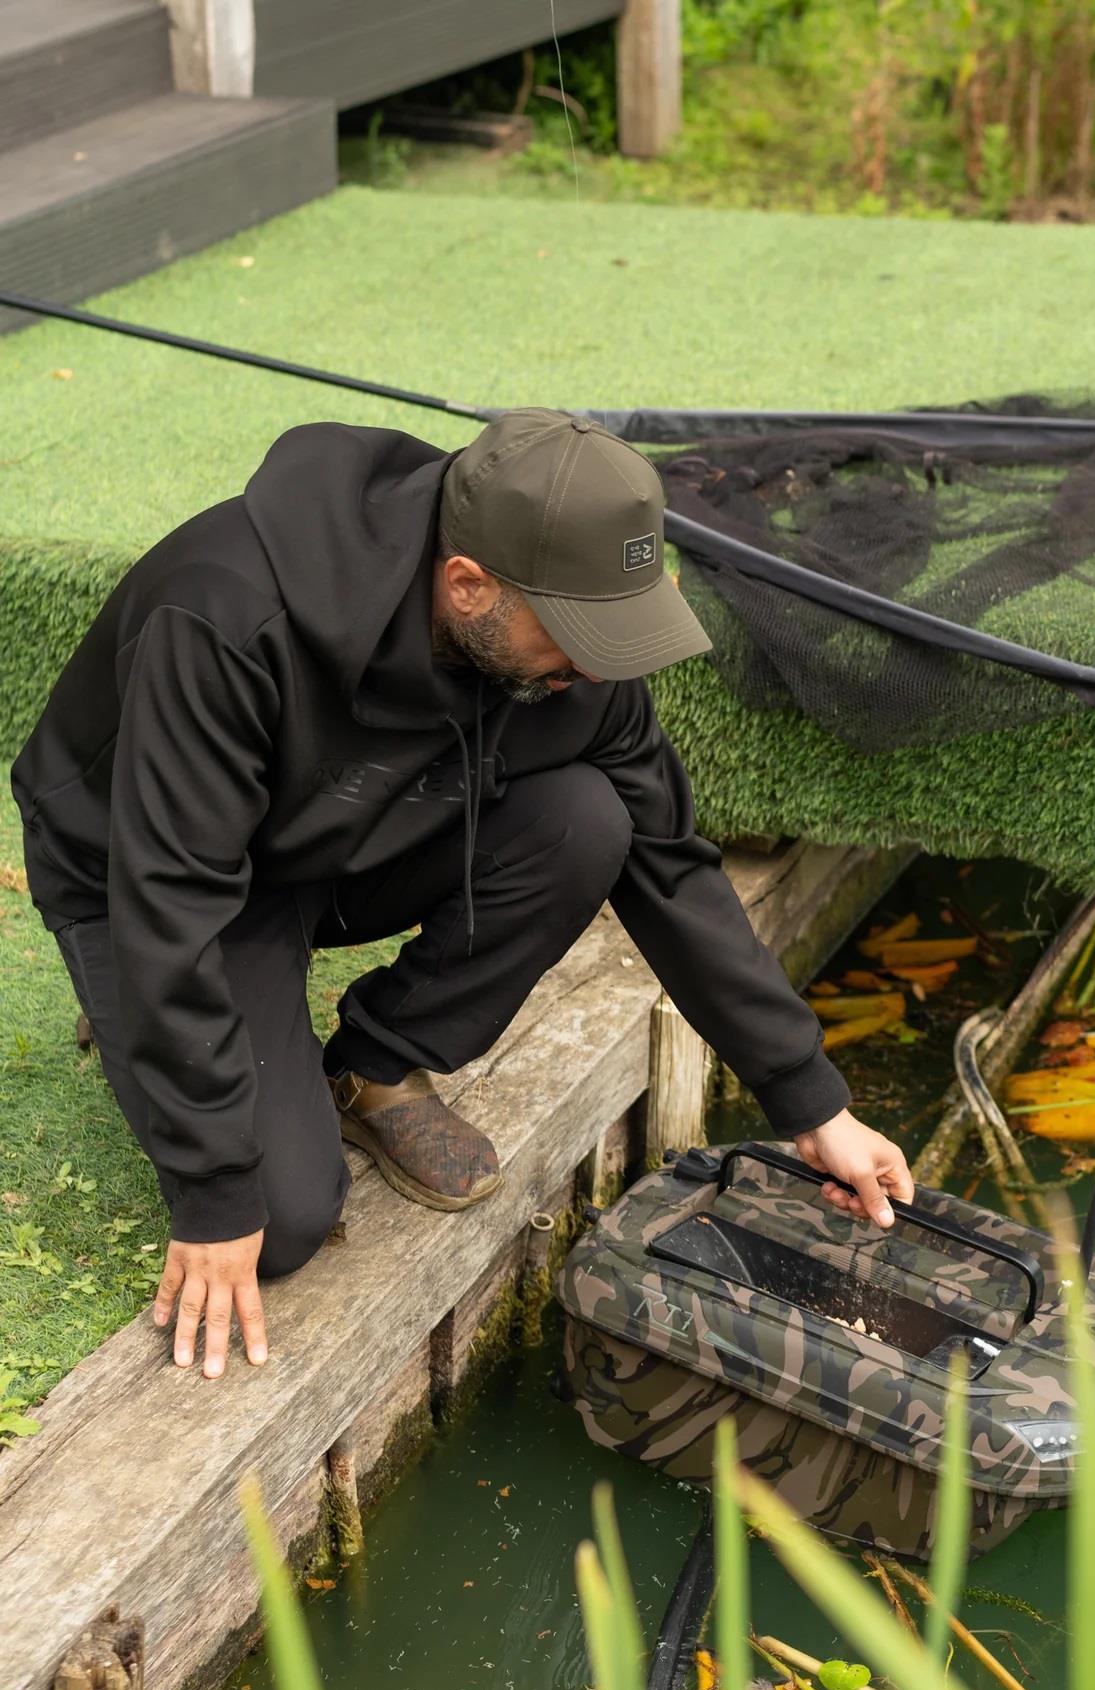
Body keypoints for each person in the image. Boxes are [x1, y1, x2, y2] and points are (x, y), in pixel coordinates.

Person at [11, 408, 914, 1382]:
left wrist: (810, 1101)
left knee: (587, 818)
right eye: (578, 635)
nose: (598, 668)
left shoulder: (571, 659)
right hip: (147, 876)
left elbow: (669, 861)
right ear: (468, 583)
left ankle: (373, 1065)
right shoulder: (225, 612)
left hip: (351, 829)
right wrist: (215, 1189)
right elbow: (170, 900)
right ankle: (135, 1009)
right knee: (277, 1215)